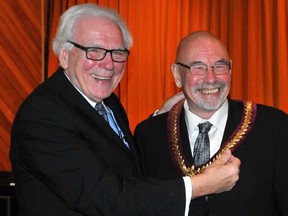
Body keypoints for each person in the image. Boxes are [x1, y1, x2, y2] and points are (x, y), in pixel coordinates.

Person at [9, 5, 241, 216]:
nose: (109, 64)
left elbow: (119, 158)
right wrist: (201, 184)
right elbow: (108, 197)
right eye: (94, 51)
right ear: (65, 56)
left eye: (118, 53)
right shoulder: (42, 116)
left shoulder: (105, 101)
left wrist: (159, 118)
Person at [134, 30, 288, 216]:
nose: (211, 78)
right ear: (176, 74)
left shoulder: (274, 128)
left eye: (220, 66)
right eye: (198, 67)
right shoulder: (148, 136)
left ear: (230, 70)